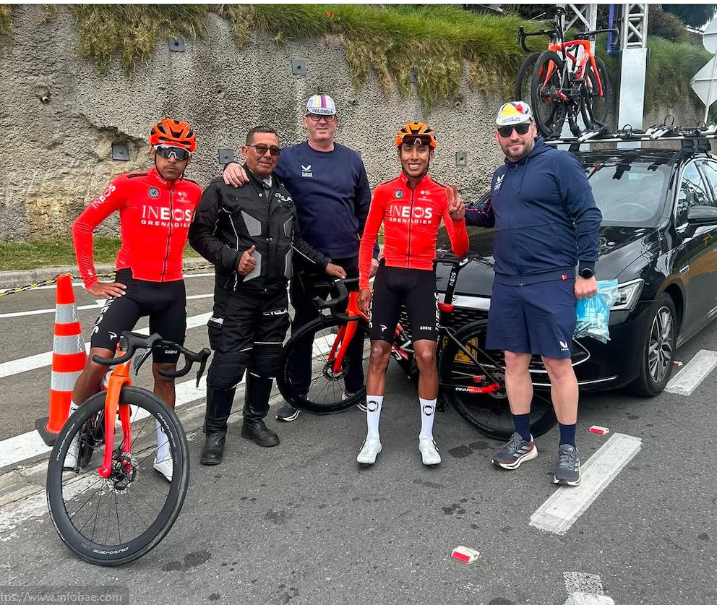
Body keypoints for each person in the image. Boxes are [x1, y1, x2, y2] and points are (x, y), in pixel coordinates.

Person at [188, 126, 346, 466]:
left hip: (275, 297)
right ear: (245, 151)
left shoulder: (286, 195)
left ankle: (254, 421)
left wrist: (326, 264)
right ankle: (215, 432)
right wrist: (231, 259)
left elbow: (296, 242)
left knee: (265, 365)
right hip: (236, 298)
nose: (268, 154)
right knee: (228, 367)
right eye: (261, 148)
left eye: (274, 150)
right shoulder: (223, 187)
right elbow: (199, 235)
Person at [464, 101, 602, 487]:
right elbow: (490, 215)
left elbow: (588, 214)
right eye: (506, 132)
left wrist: (587, 269)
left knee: (558, 365)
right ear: (497, 136)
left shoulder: (559, 164)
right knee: (513, 362)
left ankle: (569, 447)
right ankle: (523, 440)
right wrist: (460, 212)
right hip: (508, 283)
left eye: (520, 129)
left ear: (533, 130)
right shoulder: (499, 176)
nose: (514, 137)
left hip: (550, 281)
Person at [223, 93, 378, 422]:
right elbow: (259, 171)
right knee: (304, 326)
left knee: (351, 325)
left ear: (336, 121)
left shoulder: (352, 160)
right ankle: (298, 392)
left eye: (328, 116)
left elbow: (366, 210)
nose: (322, 121)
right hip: (307, 259)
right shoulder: (289, 158)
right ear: (306, 120)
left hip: (349, 259)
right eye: (315, 115)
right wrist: (232, 165)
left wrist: (373, 252)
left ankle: (353, 385)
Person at [70, 118, 202, 481]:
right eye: (166, 153)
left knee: (166, 374)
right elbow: (82, 225)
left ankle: (164, 452)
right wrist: (92, 281)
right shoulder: (127, 185)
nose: (173, 160)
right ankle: (72, 430)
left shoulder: (194, 193)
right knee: (98, 363)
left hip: (172, 291)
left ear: (188, 160)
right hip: (131, 286)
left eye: (182, 155)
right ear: (154, 152)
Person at [356, 122, 469, 466]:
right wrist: (364, 283)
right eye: (408, 149)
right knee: (377, 353)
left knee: (425, 355)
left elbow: (461, 249)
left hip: (421, 276)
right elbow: (367, 241)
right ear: (400, 153)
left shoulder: (441, 195)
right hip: (389, 277)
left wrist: (459, 219)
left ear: (431, 154)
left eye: (422, 149)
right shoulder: (385, 192)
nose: (414, 156)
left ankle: (426, 437)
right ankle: (372, 437)